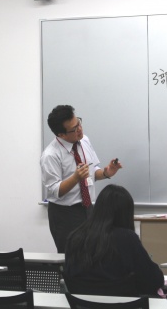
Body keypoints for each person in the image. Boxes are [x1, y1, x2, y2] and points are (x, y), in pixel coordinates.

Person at [40, 104, 123, 252]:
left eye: (78, 123)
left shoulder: (84, 140)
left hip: (88, 208)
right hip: (65, 214)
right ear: (61, 134)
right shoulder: (50, 155)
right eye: (74, 129)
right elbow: (55, 191)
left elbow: (92, 172)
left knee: (94, 253)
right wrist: (76, 177)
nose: (79, 129)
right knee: (72, 256)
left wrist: (106, 173)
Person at [64, 184, 164, 296]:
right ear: (126, 213)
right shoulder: (127, 238)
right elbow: (153, 281)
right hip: (123, 303)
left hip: (82, 303)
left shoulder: (75, 237)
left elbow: (69, 276)